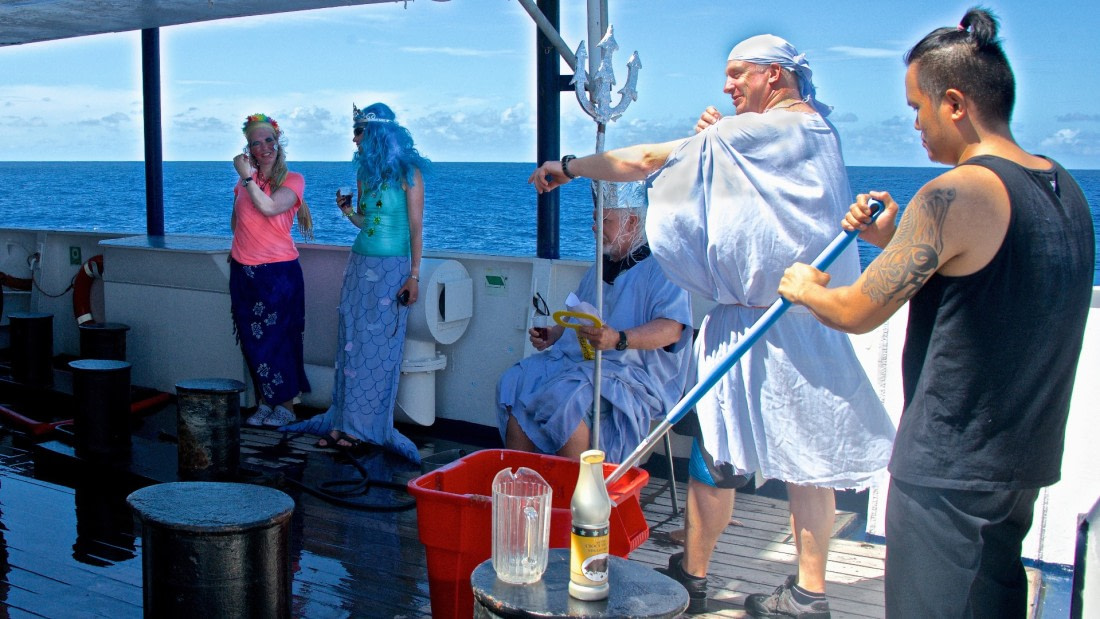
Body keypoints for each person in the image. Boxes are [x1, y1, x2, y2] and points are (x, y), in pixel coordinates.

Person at [530, 34, 896, 617]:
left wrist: (568, 167)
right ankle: (808, 591)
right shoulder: (820, 130)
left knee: (716, 460)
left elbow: (647, 160)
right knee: (808, 466)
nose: (727, 86)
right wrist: (719, 140)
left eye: (738, 74)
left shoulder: (759, 131)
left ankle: (695, 576)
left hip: (764, 324)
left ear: (775, 77)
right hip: (810, 318)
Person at [777, 8, 1094, 617]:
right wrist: (895, 237)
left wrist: (804, 286)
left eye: (916, 108)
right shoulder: (1064, 186)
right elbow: (991, 276)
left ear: (953, 103)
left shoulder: (953, 193)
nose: (915, 125)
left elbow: (855, 310)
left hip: (949, 467)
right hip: (1019, 464)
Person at [497, 180, 693, 463]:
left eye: (604, 221)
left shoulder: (665, 268)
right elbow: (581, 312)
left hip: (636, 374)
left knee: (567, 399)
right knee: (517, 381)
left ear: (632, 222)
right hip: (591, 364)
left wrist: (619, 339)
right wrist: (553, 334)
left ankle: (581, 497)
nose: (594, 227)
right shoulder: (600, 267)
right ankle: (528, 488)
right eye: (594, 219)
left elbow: (672, 330)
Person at [286, 103, 427, 464]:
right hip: (359, 264)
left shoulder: (409, 172)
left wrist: (414, 275)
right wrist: (348, 211)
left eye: (358, 131)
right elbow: (366, 222)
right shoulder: (366, 173)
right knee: (350, 343)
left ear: (375, 133)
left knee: (376, 348)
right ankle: (342, 421)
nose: (353, 138)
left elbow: (414, 227)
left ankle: (363, 429)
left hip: (393, 269)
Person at [230, 113, 313, 428]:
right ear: (248, 148)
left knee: (280, 339)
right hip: (244, 273)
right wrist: (237, 251)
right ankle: (264, 403)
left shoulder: (293, 180)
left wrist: (247, 177)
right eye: (256, 142)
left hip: (278, 274)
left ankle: (287, 407)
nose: (264, 147)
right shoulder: (244, 183)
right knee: (253, 341)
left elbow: (268, 208)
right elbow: (239, 220)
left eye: (269, 140)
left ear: (279, 143)